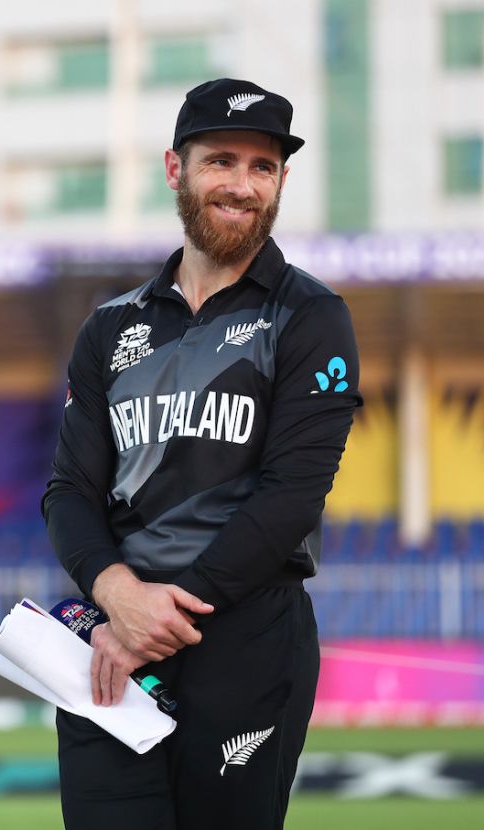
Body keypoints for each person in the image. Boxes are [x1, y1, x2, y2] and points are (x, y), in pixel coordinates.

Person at [42, 78, 362, 830]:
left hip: (246, 637)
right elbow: (69, 492)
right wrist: (118, 596)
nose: (242, 185)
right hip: (113, 643)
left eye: (263, 167)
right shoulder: (110, 328)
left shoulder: (311, 317)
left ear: (282, 181)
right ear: (175, 169)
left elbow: (292, 497)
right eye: (222, 160)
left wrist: (159, 614)